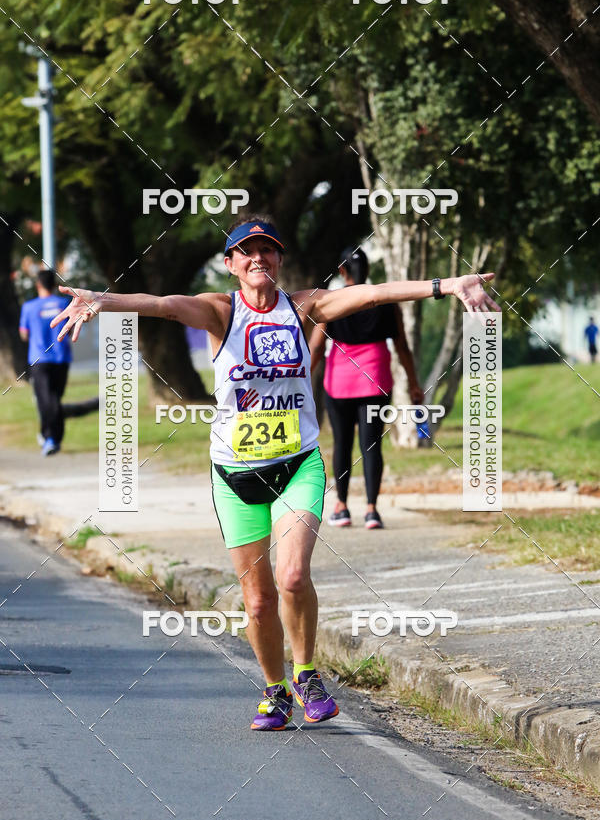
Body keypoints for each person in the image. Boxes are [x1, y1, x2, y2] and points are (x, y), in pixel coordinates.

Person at [50, 215, 500, 731]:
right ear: (231, 264)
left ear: (279, 260)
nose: (257, 258)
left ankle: (306, 673)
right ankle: (274, 690)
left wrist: (448, 285)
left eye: (267, 250)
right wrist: (106, 300)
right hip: (235, 475)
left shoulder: (303, 306)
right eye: (246, 251)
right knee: (258, 599)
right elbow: (164, 306)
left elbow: (374, 294)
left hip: (297, 466)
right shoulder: (221, 311)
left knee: (291, 575)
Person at [310, 247, 423, 530]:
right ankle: (372, 511)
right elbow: (403, 348)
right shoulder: (385, 302)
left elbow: (315, 347)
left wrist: (299, 380)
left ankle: (342, 507)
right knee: (372, 445)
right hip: (375, 379)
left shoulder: (332, 302)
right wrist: (414, 383)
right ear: (368, 271)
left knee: (342, 445)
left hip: (339, 383)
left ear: (342, 271)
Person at [19, 268, 98, 456]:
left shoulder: (29, 307)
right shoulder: (64, 304)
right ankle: (50, 437)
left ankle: (50, 437)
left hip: (39, 359)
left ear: (38, 285)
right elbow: (72, 330)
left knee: (48, 400)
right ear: (54, 286)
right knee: (53, 398)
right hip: (61, 358)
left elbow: (24, 334)